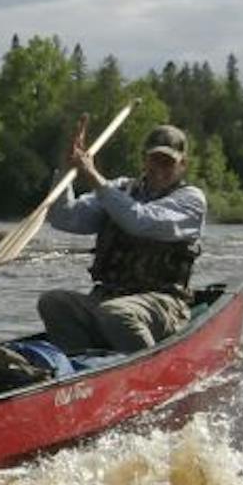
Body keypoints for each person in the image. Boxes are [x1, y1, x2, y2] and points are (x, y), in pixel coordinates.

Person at [36, 120, 205, 354]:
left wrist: (94, 177)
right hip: (109, 296)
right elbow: (65, 218)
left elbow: (140, 221)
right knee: (53, 303)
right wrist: (67, 169)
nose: (160, 168)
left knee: (117, 313)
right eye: (154, 160)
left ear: (182, 165)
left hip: (163, 302)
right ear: (144, 160)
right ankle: (81, 365)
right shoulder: (120, 189)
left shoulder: (190, 200)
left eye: (168, 162)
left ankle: (147, 367)